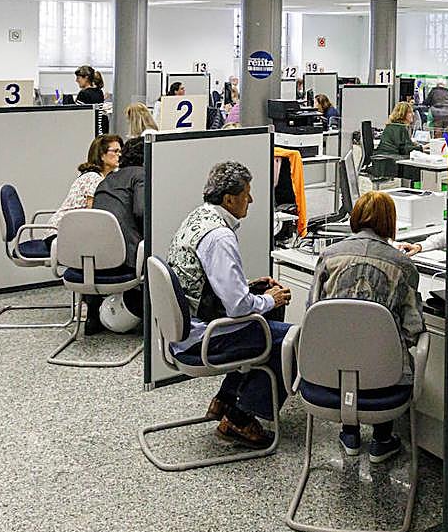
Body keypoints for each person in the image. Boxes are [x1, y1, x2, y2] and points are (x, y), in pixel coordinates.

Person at [167, 161, 293, 449]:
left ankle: (225, 400)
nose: (251, 199)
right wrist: (269, 298)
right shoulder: (220, 237)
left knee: (266, 316)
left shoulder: (198, 217)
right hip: (202, 338)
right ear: (229, 199)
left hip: (185, 330)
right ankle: (239, 419)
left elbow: (206, 281)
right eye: (246, 194)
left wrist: (249, 288)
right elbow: (237, 307)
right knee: (290, 340)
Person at [308, 191, 424, 462]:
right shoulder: (403, 266)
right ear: (390, 222)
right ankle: (382, 440)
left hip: (330, 371)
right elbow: (412, 328)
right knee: (385, 351)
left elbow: (313, 311)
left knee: (347, 347)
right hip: (384, 376)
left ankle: (350, 434)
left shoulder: (328, 257)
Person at [87, 138, 147, 333]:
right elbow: (141, 212)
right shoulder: (140, 174)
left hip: (95, 258)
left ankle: (92, 315)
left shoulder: (106, 180)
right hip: (125, 259)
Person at [45, 134, 122, 237]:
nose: (119, 155)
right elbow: (93, 212)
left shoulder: (99, 177)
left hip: (70, 229)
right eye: (115, 151)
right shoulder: (93, 177)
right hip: (59, 232)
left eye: (120, 151)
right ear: (102, 155)